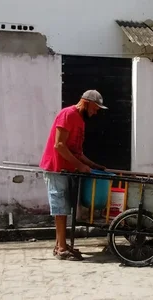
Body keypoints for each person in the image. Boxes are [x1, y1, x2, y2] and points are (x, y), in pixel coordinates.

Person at [40, 90, 108, 261]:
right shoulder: (68, 115)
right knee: (60, 209)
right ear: (85, 103)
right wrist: (80, 166)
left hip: (67, 169)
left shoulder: (80, 121)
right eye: (95, 108)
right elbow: (59, 145)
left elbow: (77, 152)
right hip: (56, 168)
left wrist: (94, 165)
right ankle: (62, 248)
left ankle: (60, 245)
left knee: (65, 208)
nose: (96, 112)